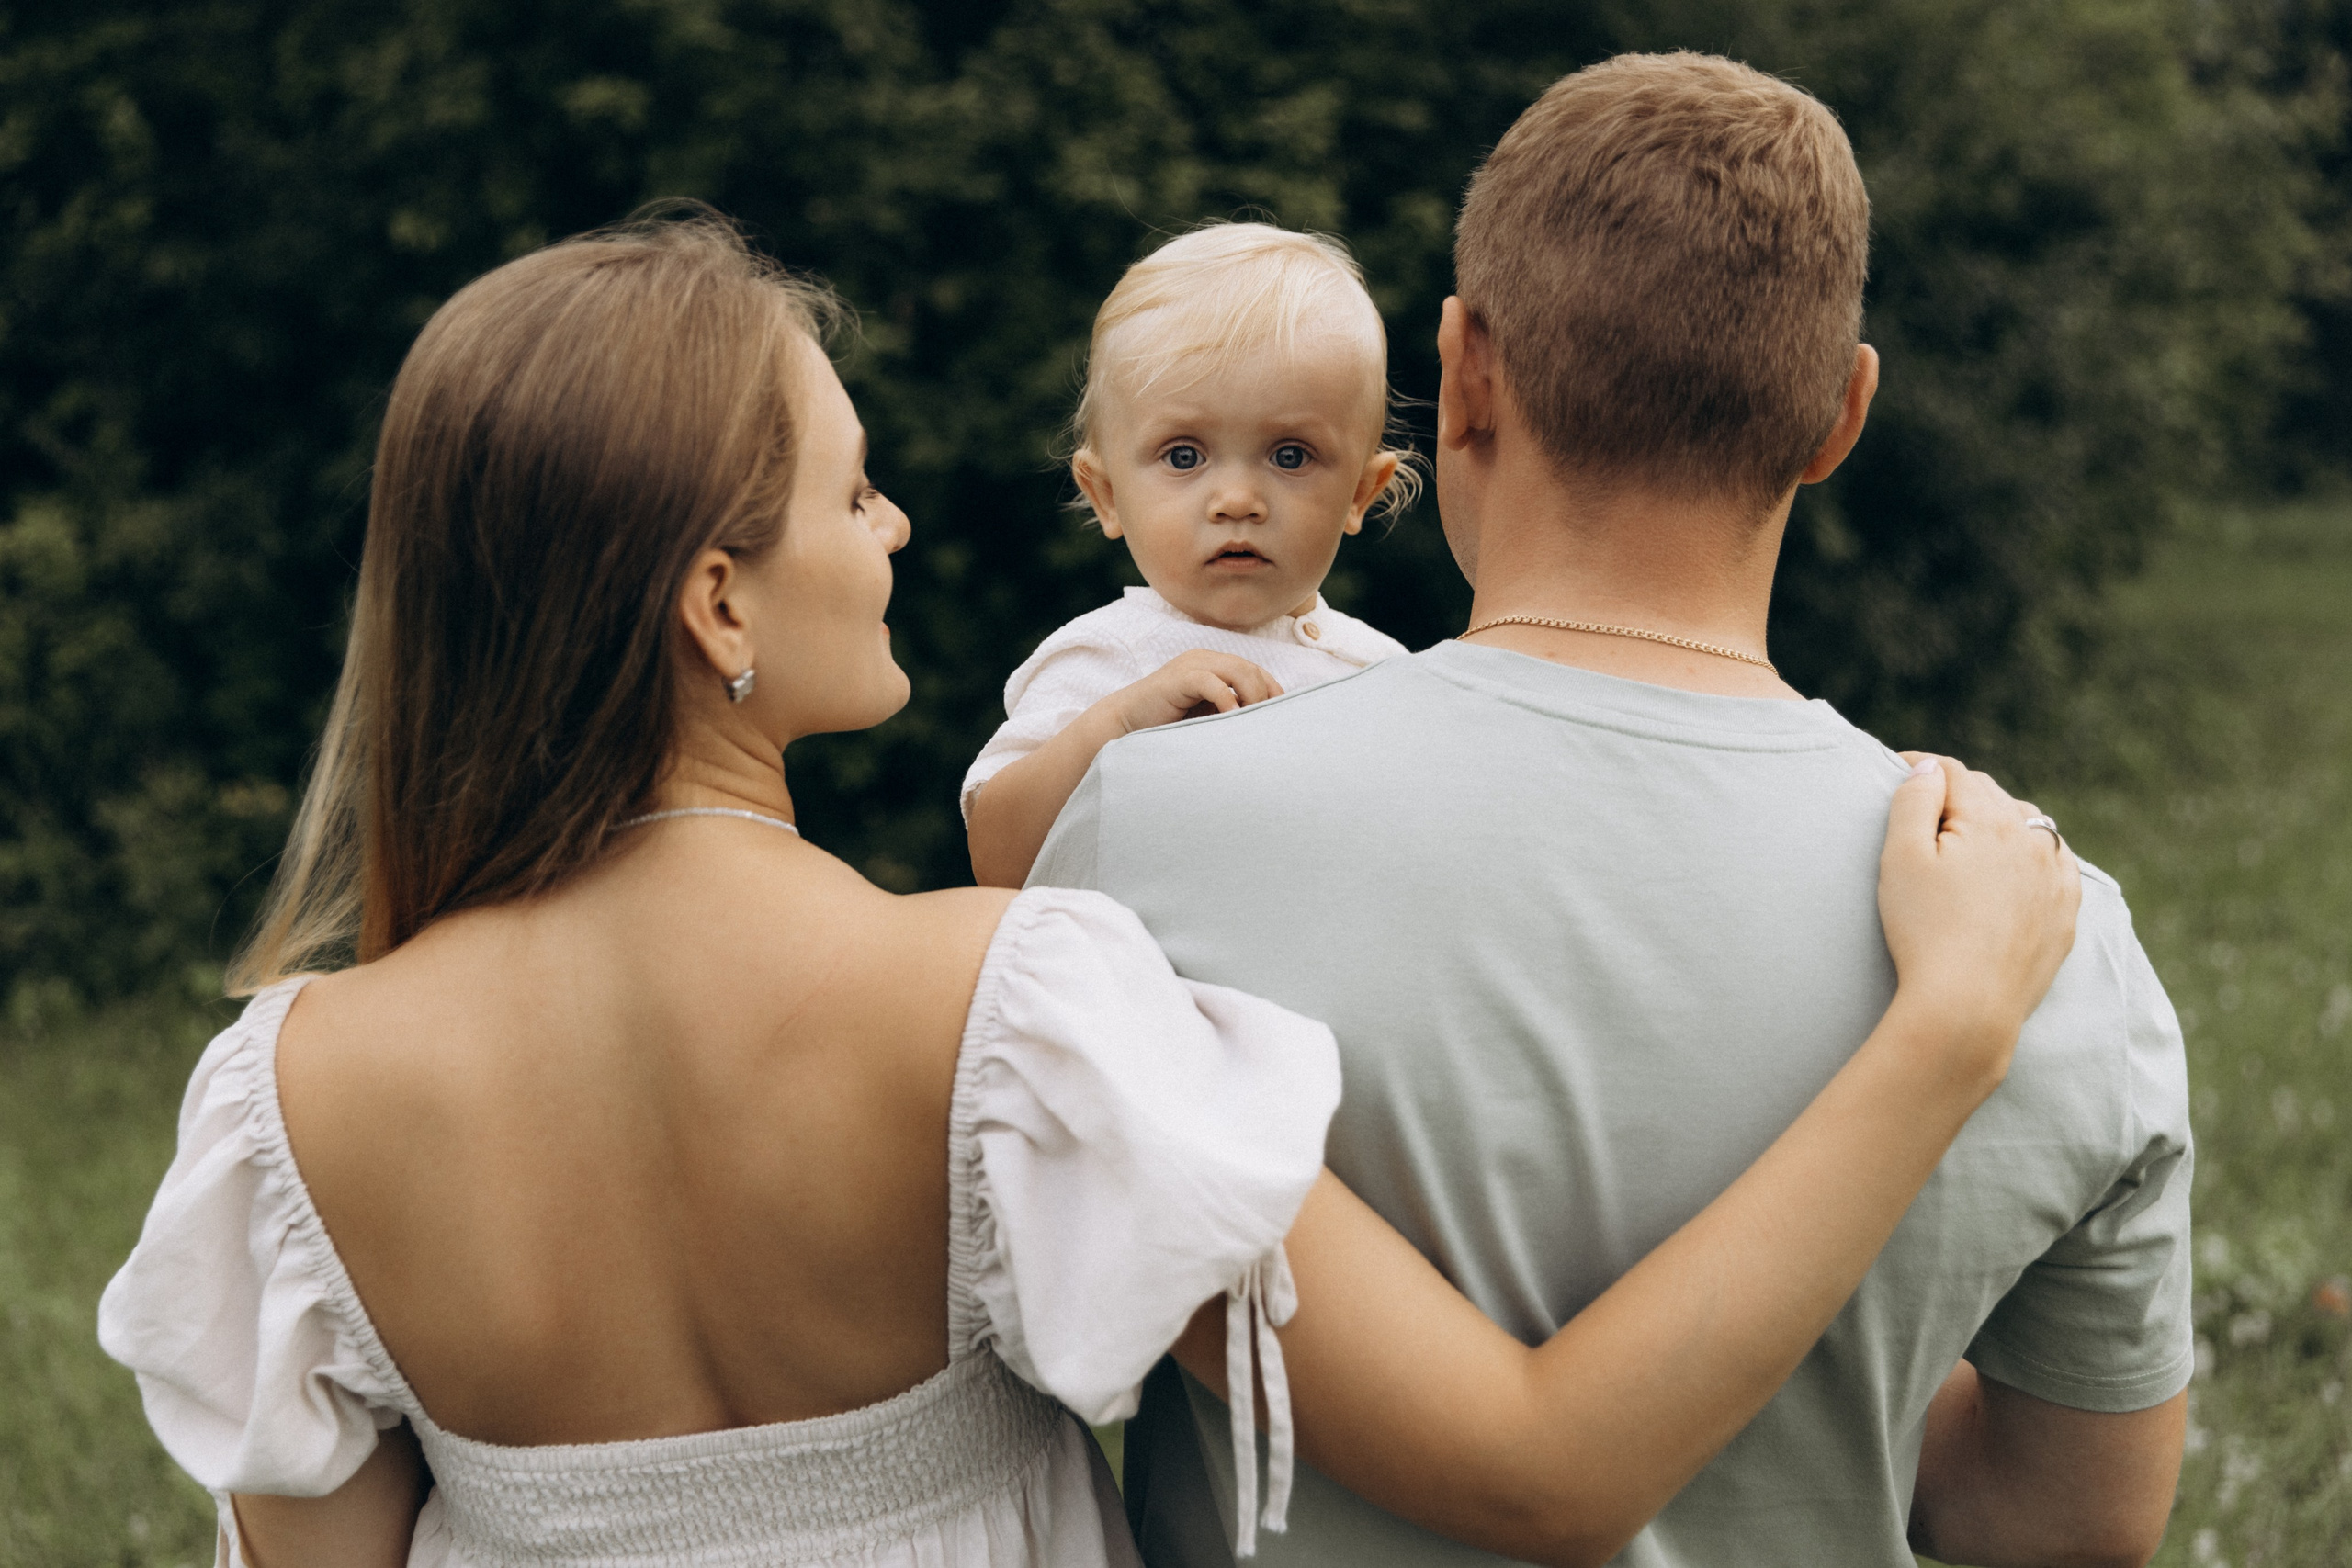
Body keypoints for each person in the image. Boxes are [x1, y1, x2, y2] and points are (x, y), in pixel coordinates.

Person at [96, 212, 2077, 1568]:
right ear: (715, 600)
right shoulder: (1003, 1016)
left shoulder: (287, 1101)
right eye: (849, 486)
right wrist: (1944, 1028)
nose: (886, 531)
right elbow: (1544, 1469)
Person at [1035, 52, 2193, 1568]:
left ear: (1462, 375)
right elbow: (2058, 1524)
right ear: (1841, 417)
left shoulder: (1145, 833)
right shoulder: (2046, 933)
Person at [966, 223, 1411, 888]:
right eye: (1184, 455)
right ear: (1107, 493)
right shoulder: (1111, 660)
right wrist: (1117, 724)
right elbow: (997, 856)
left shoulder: (1384, 672)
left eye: (1290, 455)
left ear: (1360, 492)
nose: (1236, 499)